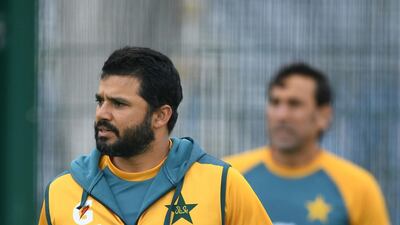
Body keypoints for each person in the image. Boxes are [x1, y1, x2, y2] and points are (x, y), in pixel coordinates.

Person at [38, 47, 272, 225]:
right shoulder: (62, 192)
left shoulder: (222, 185)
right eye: (100, 101)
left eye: (119, 104)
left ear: (160, 116)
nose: (102, 114)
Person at [224, 63, 390, 225]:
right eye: (275, 103)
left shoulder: (359, 188)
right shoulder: (228, 176)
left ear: (323, 116)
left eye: (294, 104)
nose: (282, 115)